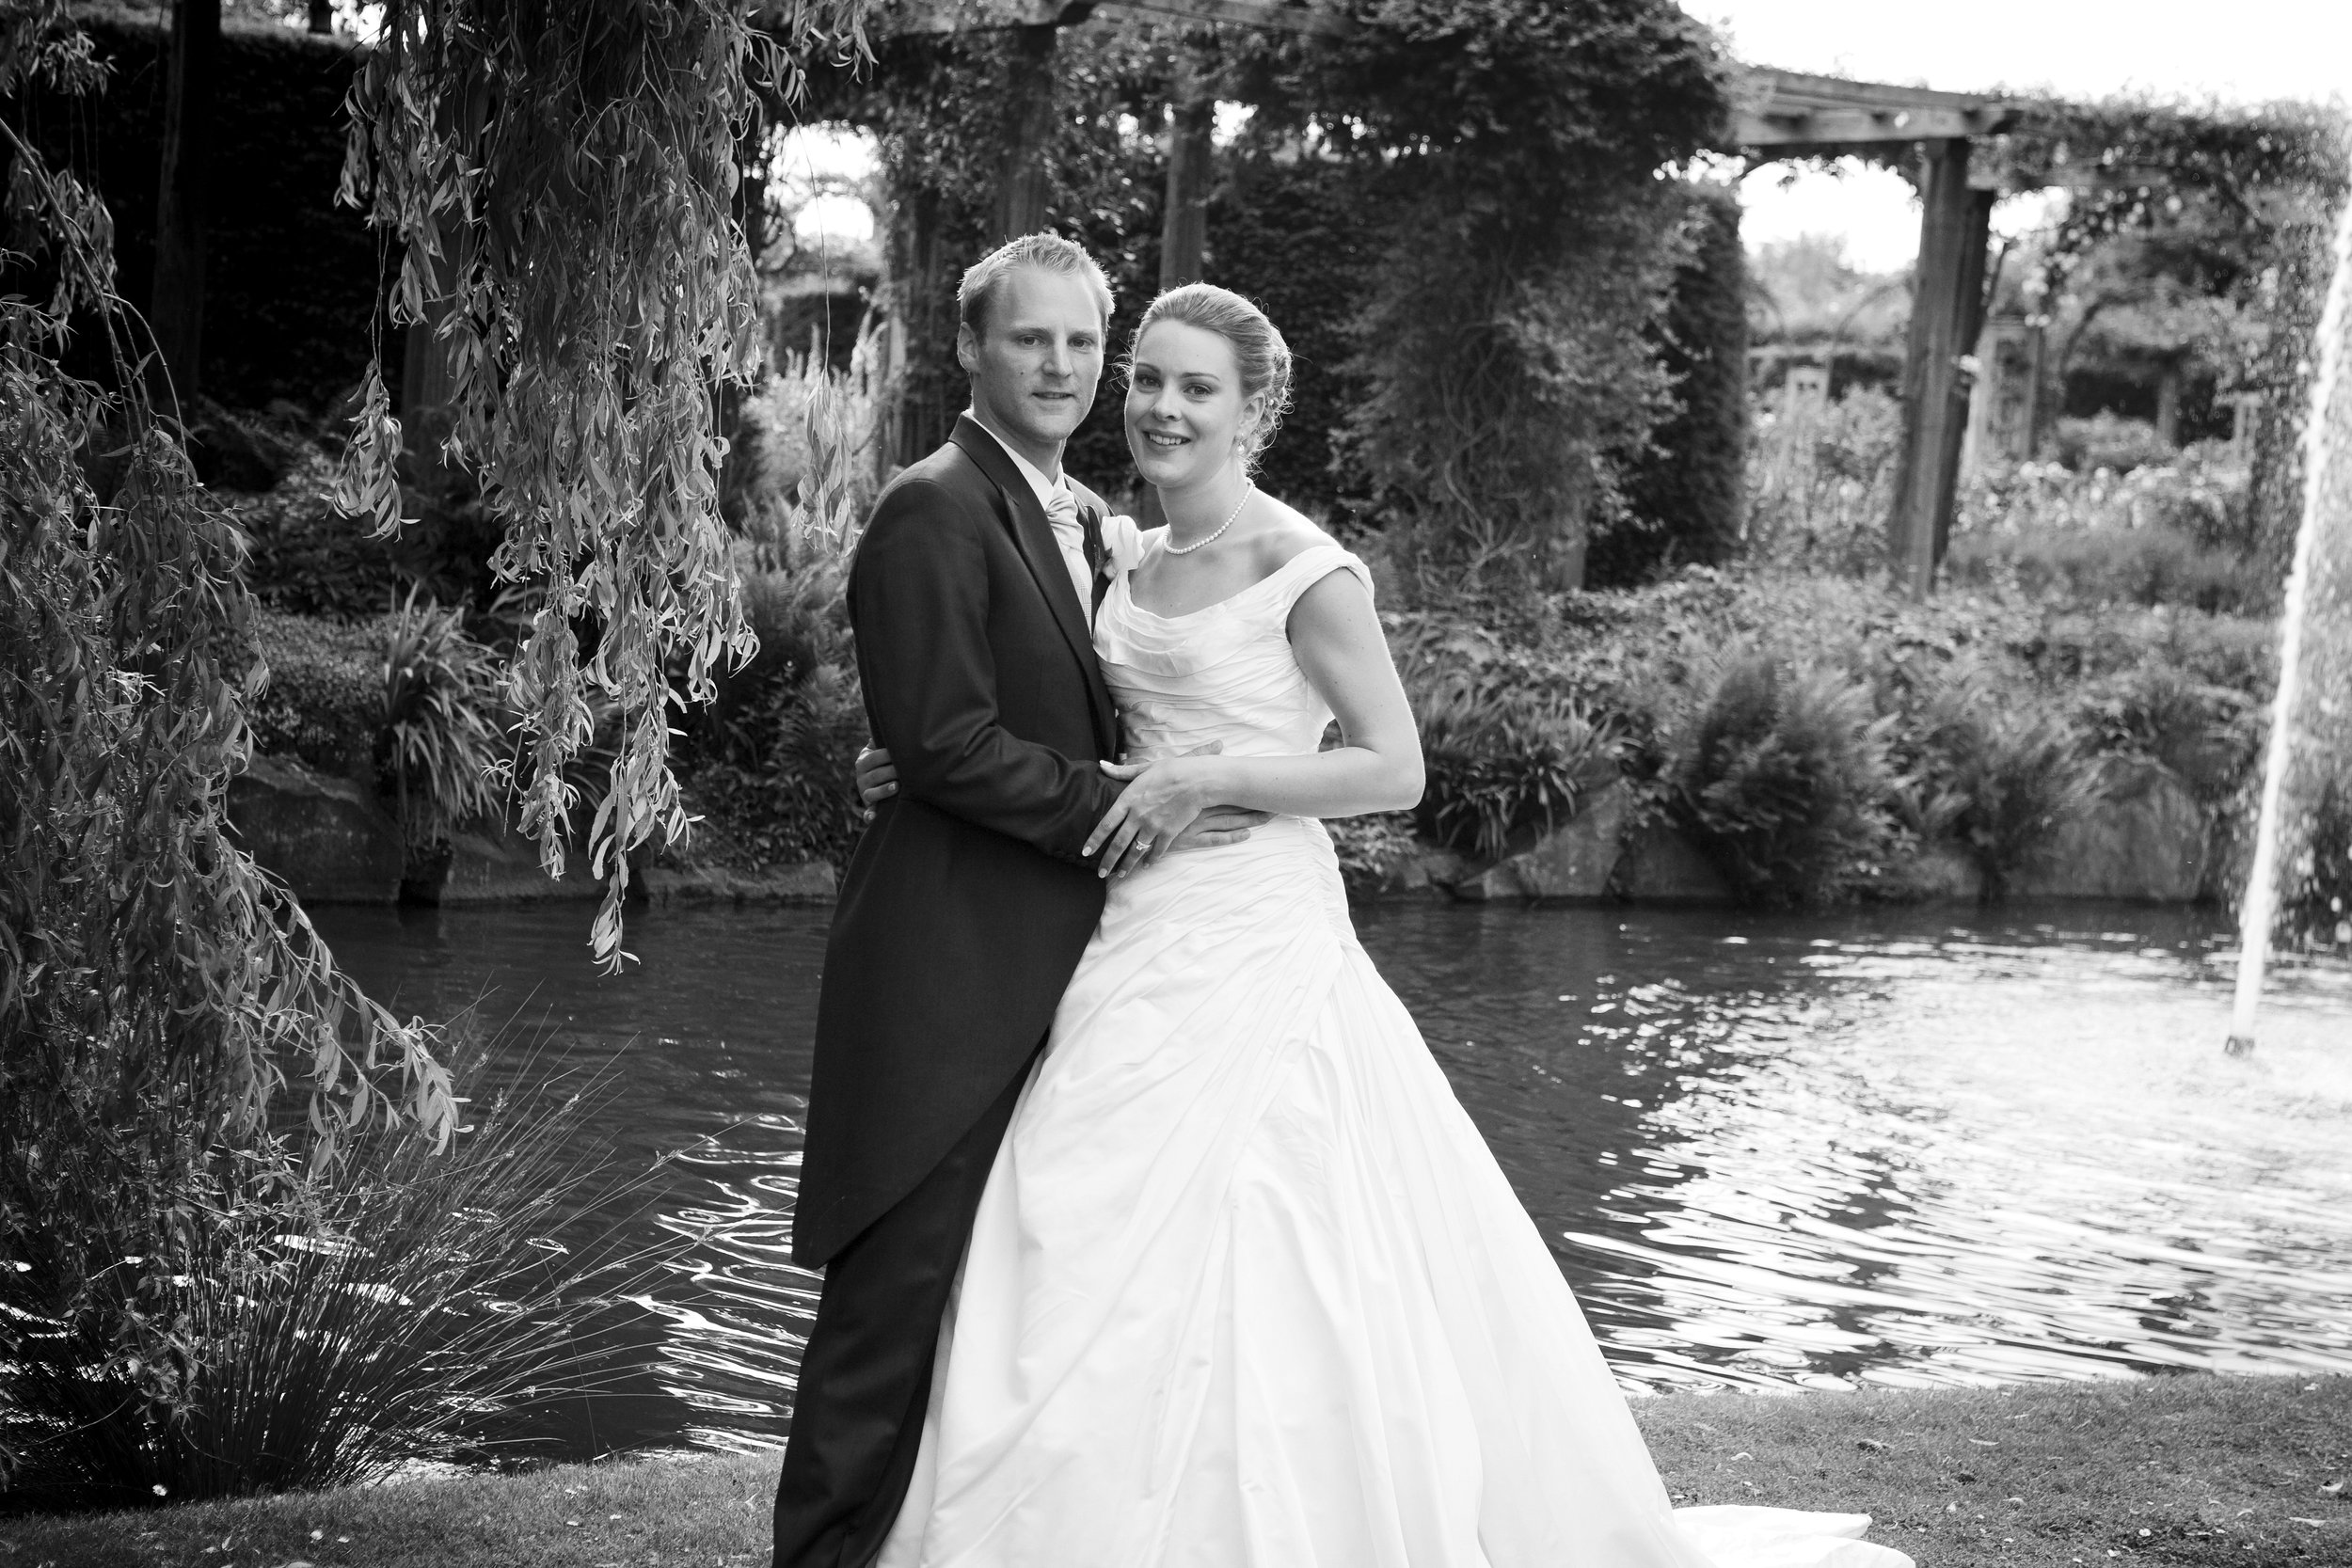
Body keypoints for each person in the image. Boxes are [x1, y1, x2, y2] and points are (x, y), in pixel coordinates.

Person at [846, 282, 1915, 1568]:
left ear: (1255, 411)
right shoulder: (1118, 549)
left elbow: (1393, 769)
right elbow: (1063, 712)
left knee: (1275, 1227)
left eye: (1198, 388)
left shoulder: (1304, 567)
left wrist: (1212, 777)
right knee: (1071, 1213)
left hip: (1254, 932)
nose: (1163, 406)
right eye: (1151, 381)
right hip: (1124, 928)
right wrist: (916, 756)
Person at [771, 235, 1266, 1568]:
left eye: (1080, 345)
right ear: (970, 350)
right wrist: (1127, 801)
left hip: (1073, 970)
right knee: (893, 1298)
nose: (1059, 366)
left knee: (1009, 1301)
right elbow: (939, 742)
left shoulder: (1087, 516)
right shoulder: (931, 506)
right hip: (945, 970)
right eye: (1029, 340)